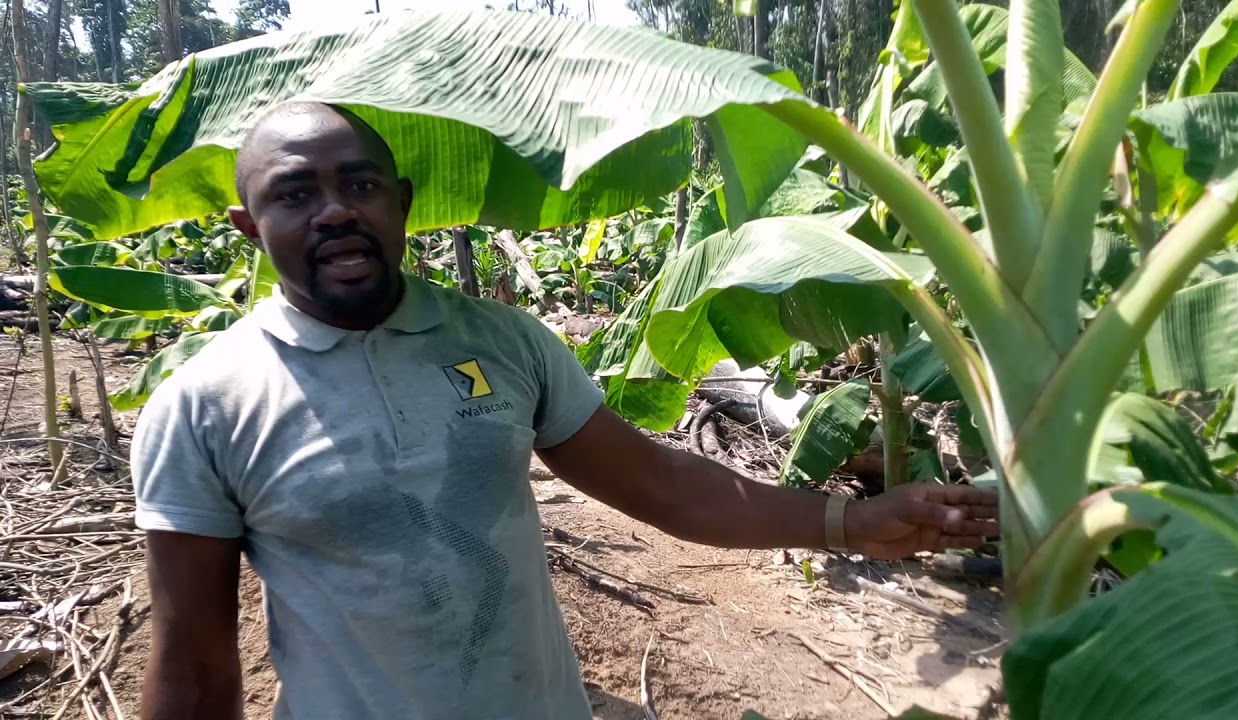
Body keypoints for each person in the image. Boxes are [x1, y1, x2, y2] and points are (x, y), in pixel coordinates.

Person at [131, 102, 998, 720]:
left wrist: (851, 521)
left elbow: (661, 483)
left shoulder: (504, 341)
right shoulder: (205, 405)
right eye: (295, 193)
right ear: (250, 227)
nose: (334, 212)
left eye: (358, 185)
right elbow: (196, 663)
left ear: (399, 199)